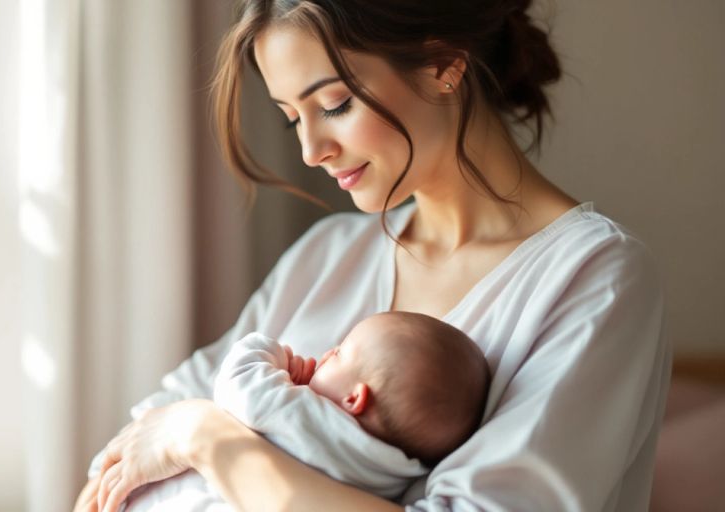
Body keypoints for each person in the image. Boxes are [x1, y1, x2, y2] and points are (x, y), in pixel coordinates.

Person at [76, 0, 671, 510]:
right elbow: (136, 442)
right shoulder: (330, 255)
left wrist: (207, 437)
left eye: (333, 105)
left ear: (443, 65)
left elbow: (178, 423)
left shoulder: (597, 277)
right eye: (292, 121)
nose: (311, 150)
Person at [112, 312, 491, 510]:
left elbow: (237, 383)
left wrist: (273, 357)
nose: (326, 353)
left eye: (340, 353)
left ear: (355, 399)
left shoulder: (307, 415)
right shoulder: (395, 471)